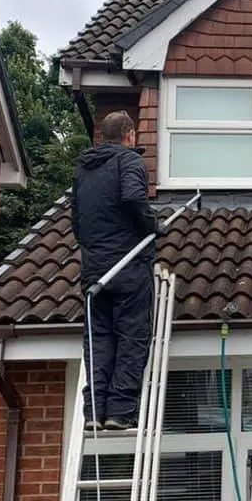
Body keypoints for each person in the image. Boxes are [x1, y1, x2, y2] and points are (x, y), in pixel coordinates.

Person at [71, 111, 160, 431]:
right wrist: (152, 227)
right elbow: (134, 198)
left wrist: (94, 250)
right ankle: (120, 412)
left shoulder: (83, 169)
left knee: (98, 339)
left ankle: (94, 411)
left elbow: (77, 221)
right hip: (127, 264)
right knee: (131, 335)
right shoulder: (129, 161)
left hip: (94, 270)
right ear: (129, 134)